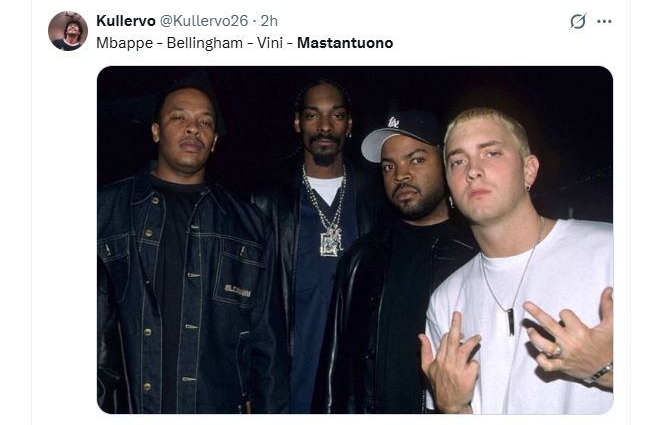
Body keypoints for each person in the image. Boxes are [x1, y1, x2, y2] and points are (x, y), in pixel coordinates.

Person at [97, 82, 289, 413]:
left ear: (214, 141)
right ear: (156, 131)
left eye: (205, 121)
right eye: (179, 117)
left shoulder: (249, 226)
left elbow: (268, 343)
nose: (193, 128)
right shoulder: (103, 212)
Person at [419, 107, 613, 414]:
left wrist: (608, 368)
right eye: (458, 161)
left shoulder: (612, 251)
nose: (472, 170)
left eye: (491, 153)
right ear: (450, 191)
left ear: (529, 170)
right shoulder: (446, 299)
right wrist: (452, 408)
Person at [313, 111, 476, 413]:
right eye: (389, 166)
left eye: (416, 160)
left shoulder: (477, 254)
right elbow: (334, 368)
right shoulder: (362, 258)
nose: (401, 175)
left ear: (446, 163)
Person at [251, 79, 387, 413]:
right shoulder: (266, 201)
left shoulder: (378, 199)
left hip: (357, 392)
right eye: (313, 116)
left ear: (349, 124)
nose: (325, 126)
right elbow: (249, 309)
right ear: (298, 123)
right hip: (287, 391)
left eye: (336, 115)